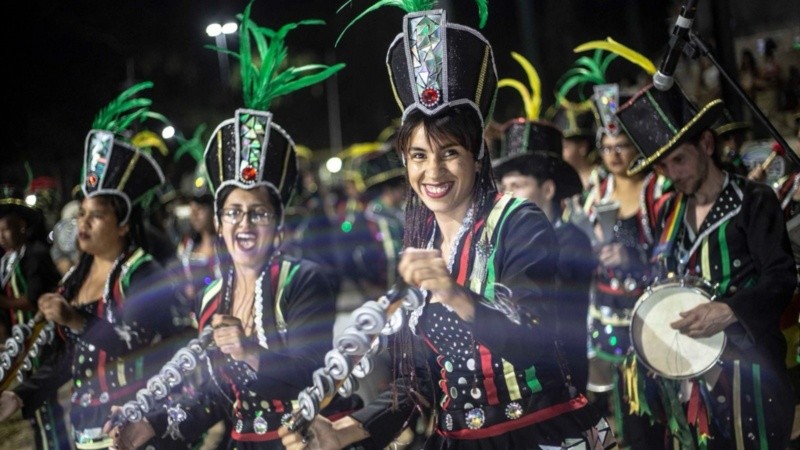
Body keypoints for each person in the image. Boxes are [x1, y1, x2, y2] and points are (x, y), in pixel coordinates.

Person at [280, 3, 616, 449]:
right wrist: (343, 431)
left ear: (476, 156)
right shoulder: (422, 246)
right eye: (419, 155)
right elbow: (416, 384)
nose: (432, 171)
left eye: (450, 152)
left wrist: (454, 293)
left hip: (536, 435)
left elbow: (535, 339)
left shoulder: (519, 222)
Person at [105, 5, 355, 449]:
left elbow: (312, 373)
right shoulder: (212, 296)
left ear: (277, 225)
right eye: (233, 212)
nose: (244, 222)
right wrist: (153, 424)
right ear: (219, 225)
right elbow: (219, 393)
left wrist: (250, 352)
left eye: (258, 212)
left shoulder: (303, 281)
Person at [0, 81, 195, 450]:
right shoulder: (75, 278)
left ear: (122, 224)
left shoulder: (143, 272)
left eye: (97, 215)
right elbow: (65, 357)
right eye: (82, 214)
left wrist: (75, 319)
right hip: (87, 430)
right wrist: (21, 395)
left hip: (138, 430)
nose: (83, 224)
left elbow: (144, 342)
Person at [616, 82, 796, 449]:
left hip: (749, 372)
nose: (672, 173)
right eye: (663, 165)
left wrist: (730, 310)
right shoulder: (669, 209)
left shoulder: (752, 200)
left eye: (679, 159)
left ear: (707, 145)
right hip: (685, 374)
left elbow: (781, 277)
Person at [493, 116, 596, 396]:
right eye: (504, 187)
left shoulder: (572, 241)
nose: (507, 195)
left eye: (517, 186)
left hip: (560, 376)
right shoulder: (505, 240)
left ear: (548, 189)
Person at [0, 184, 71, 450]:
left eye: (7, 228)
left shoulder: (35, 255)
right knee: (31, 402)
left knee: (44, 398)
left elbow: (34, 301)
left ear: (21, 227)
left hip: (43, 338)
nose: (2, 236)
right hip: (24, 342)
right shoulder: (8, 262)